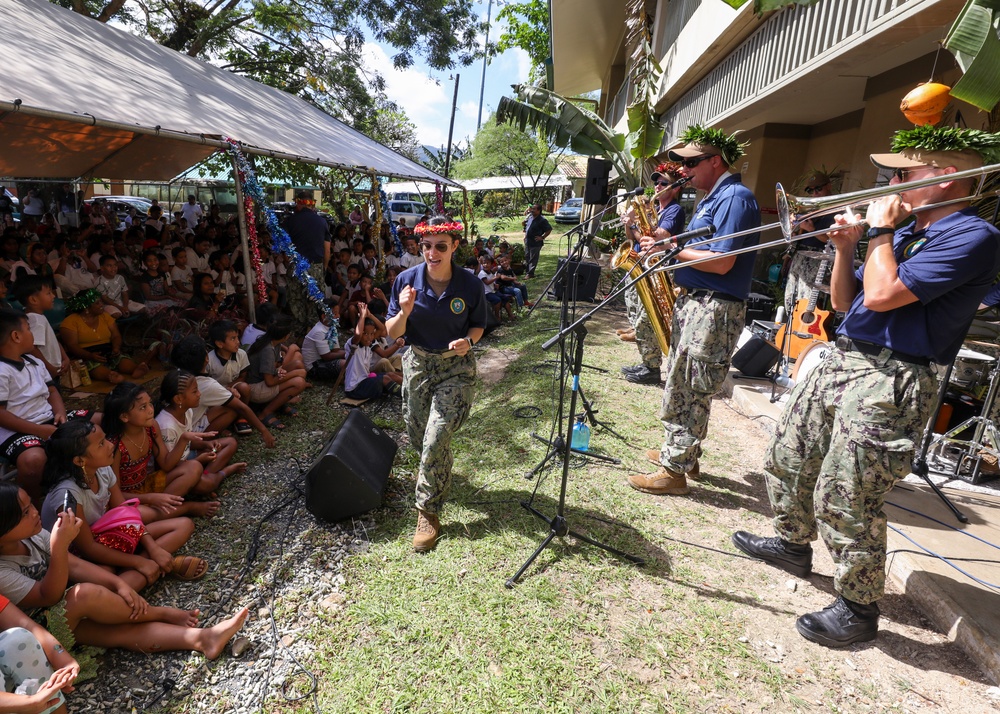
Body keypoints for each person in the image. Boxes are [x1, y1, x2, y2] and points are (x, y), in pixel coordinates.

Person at [731, 127, 1000, 648]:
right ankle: (791, 542)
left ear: (946, 179)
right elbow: (845, 302)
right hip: (847, 358)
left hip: (893, 377)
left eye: (904, 174)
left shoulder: (972, 237)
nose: (892, 183)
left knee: (849, 492)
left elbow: (882, 296)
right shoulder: (903, 232)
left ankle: (858, 607)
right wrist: (847, 245)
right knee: (791, 454)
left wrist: (876, 232)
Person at [628, 124, 760, 497]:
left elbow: (722, 263)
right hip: (697, 303)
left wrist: (669, 251)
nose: (684, 171)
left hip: (714, 307)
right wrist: (667, 240)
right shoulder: (714, 198)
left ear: (715, 161)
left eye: (691, 162)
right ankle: (682, 454)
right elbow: (703, 248)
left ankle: (675, 471)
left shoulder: (735, 198)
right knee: (681, 379)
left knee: (693, 385)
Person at [386, 216, 487, 552]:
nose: (432, 252)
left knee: (435, 438)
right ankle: (439, 470)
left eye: (441, 246)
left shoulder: (470, 285)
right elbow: (392, 333)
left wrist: (469, 343)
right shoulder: (405, 281)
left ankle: (427, 511)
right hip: (416, 365)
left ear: (455, 246)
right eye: (426, 246)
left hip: (454, 369)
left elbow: (478, 326)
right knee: (419, 436)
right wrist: (404, 311)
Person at [620, 163, 687, 385]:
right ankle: (647, 364)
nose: (657, 186)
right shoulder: (656, 209)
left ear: (675, 188)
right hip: (645, 266)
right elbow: (633, 237)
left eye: (663, 183)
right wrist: (629, 223)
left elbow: (657, 237)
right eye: (656, 182)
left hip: (658, 269)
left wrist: (636, 225)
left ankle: (651, 368)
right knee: (640, 318)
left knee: (647, 320)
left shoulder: (674, 210)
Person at [102, 382, 220, 505]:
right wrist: (150, 498)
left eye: (150, 404)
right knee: (202, 484)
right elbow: (115, 495)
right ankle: (184, 508)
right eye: (143, 407)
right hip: (128, 499)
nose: (150, 410)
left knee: (194, 467)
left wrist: (184, 439)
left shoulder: (151, 427)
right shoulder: (114, 447)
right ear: (124, 416)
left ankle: (159, 510)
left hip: (147, 484)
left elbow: (166, 464)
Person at [155, 369, 245, 487]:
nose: (199, 394)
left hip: (188, 457)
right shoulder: (166, 426)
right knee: (207, 484)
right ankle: (222, 473)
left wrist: (206, 445)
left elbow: (187, 444)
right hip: (178, 469)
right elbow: (169, 466)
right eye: (194, 391)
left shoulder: (187, 412)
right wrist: (198, 461)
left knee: (230, 442)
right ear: (179, 399)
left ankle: (206, 473)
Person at [59, 289, 151, 385]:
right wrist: (89, 355)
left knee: (122, 359)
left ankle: (136, 368)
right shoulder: (70, 322)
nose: (102, 305)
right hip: (86, 354)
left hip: (107, 350)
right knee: (93, 366)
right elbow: (72, 346)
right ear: (86, 308)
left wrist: (116, 347)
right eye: (97, 303)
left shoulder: (105, 316)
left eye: (101, 302)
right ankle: (111, 375)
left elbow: (116, 335)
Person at [783, 170, 836, 320]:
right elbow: (801, 235)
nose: (815, 193)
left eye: (818, 189)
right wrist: (795, 232)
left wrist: (811, 230)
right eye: (810, 190)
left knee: (807, 304)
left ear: (828, 186)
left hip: (818, 259)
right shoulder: (811, 208)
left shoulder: (835, 209)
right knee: (790, 299)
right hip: (800, 256)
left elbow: (831, 240)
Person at [245, 318, 308, 431]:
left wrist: (280, 372)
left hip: (264, 379)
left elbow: (275, 366)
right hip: (256, 387)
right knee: (299, 382)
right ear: (285, 336)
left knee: (297, 364)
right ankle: (266, 412)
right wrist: (294, 374)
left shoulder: (273, 342)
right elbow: (269, 382)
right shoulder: (267, 349)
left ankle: (279, 403)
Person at [283, 192, 331, 336]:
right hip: (316, 266)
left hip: (296, 266)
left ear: (299, 203)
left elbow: (285, 249)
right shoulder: (322, 222)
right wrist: (324, 268)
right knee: (314, 300)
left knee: (296, 299)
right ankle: (314, 332)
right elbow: (327, 250)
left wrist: (289, 264)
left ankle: (300, 333)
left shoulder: (289, 221)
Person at [14, 277, 69, 380]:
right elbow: (32, 348)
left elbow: (54, 340)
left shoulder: (39, 317)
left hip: (50, 369)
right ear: (33, 300)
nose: (53, 296)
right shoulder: (35, 319)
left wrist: (65, 357)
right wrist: (49, 368)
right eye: (48, 293)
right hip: (46, 371)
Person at [522, 204, 551, 279]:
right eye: (532, 209)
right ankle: (527, 271)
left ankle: (530, 273)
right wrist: (525, 235)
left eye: (534, 209)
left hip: (535, 242)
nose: (532, 210)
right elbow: (527, 227)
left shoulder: (542, 220)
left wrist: (542, 237)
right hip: (528, 241)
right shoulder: (530, 217)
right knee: (527, 256)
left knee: (533, 258)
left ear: (539, 210)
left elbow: (549, 229)